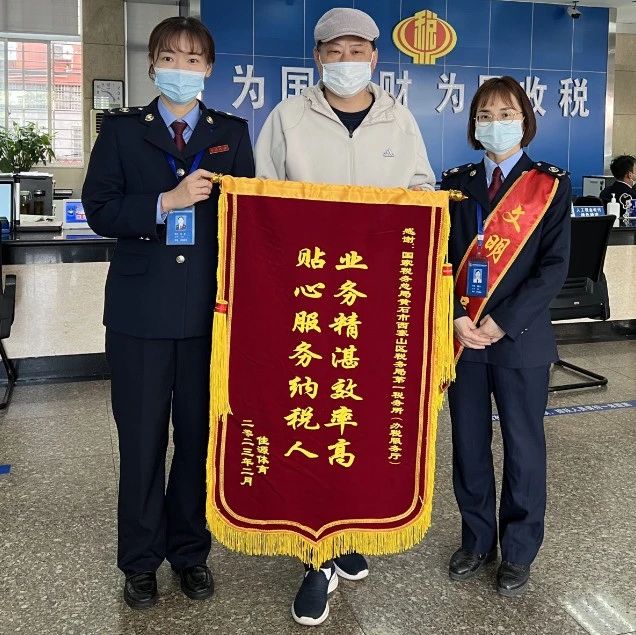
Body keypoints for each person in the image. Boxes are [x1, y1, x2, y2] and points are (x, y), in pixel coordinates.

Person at [255, 7, 435, 626]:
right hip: (308, 300)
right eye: (335, 51)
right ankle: (316, 557)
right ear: (318, 57)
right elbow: (264, 202)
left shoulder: (399, 120)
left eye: (358, 50)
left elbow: (421, 191)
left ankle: (348, 531)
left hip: (376, 302)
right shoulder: (287, 118)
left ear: (376, 57)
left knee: (360, 418)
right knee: (311, 419)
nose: (346, 60)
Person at [82, 16, 255, 610]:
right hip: (139, 317)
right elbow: (100, 210)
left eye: (193, 59)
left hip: (209, 316)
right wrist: (164, 203)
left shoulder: (230, 132)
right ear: (153, 64)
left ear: (209, 68)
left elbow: (247, 221)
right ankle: (139, 563)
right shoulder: (122, 132)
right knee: (141, 443)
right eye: (170, 57)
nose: (181, 68)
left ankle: (190, 554)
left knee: (199, 441)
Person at [440, 76, 571, 597]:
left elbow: (554, 267)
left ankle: (518, 551)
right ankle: (476, 542)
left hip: (521, 339)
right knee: (469, 445)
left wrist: (503, 320)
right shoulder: (456, 183)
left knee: (523, 447)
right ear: (474, 124)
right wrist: (455, 315)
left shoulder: (549, 184)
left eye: (506, 113)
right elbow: (438, 259)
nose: (496, 123)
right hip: (464, 339)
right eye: (486, 115)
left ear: (525, 120)